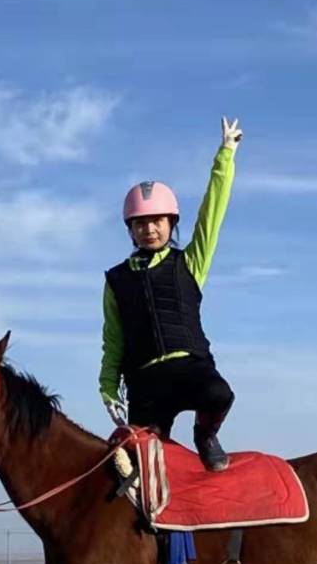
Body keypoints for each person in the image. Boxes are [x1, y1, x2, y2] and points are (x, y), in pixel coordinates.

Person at [99, 116, 242, 471]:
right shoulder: (116, 280)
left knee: (220, 394)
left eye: (157, 221)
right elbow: (113, 339)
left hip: (190, 367)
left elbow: (213, 213)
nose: (149, 229)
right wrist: (107, 385)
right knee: (139, 466)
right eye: (140, 223)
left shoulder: (190, 262)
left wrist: (225, 156)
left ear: (171, 223)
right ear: (130, 230)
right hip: (144, 382)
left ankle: (205, 436)